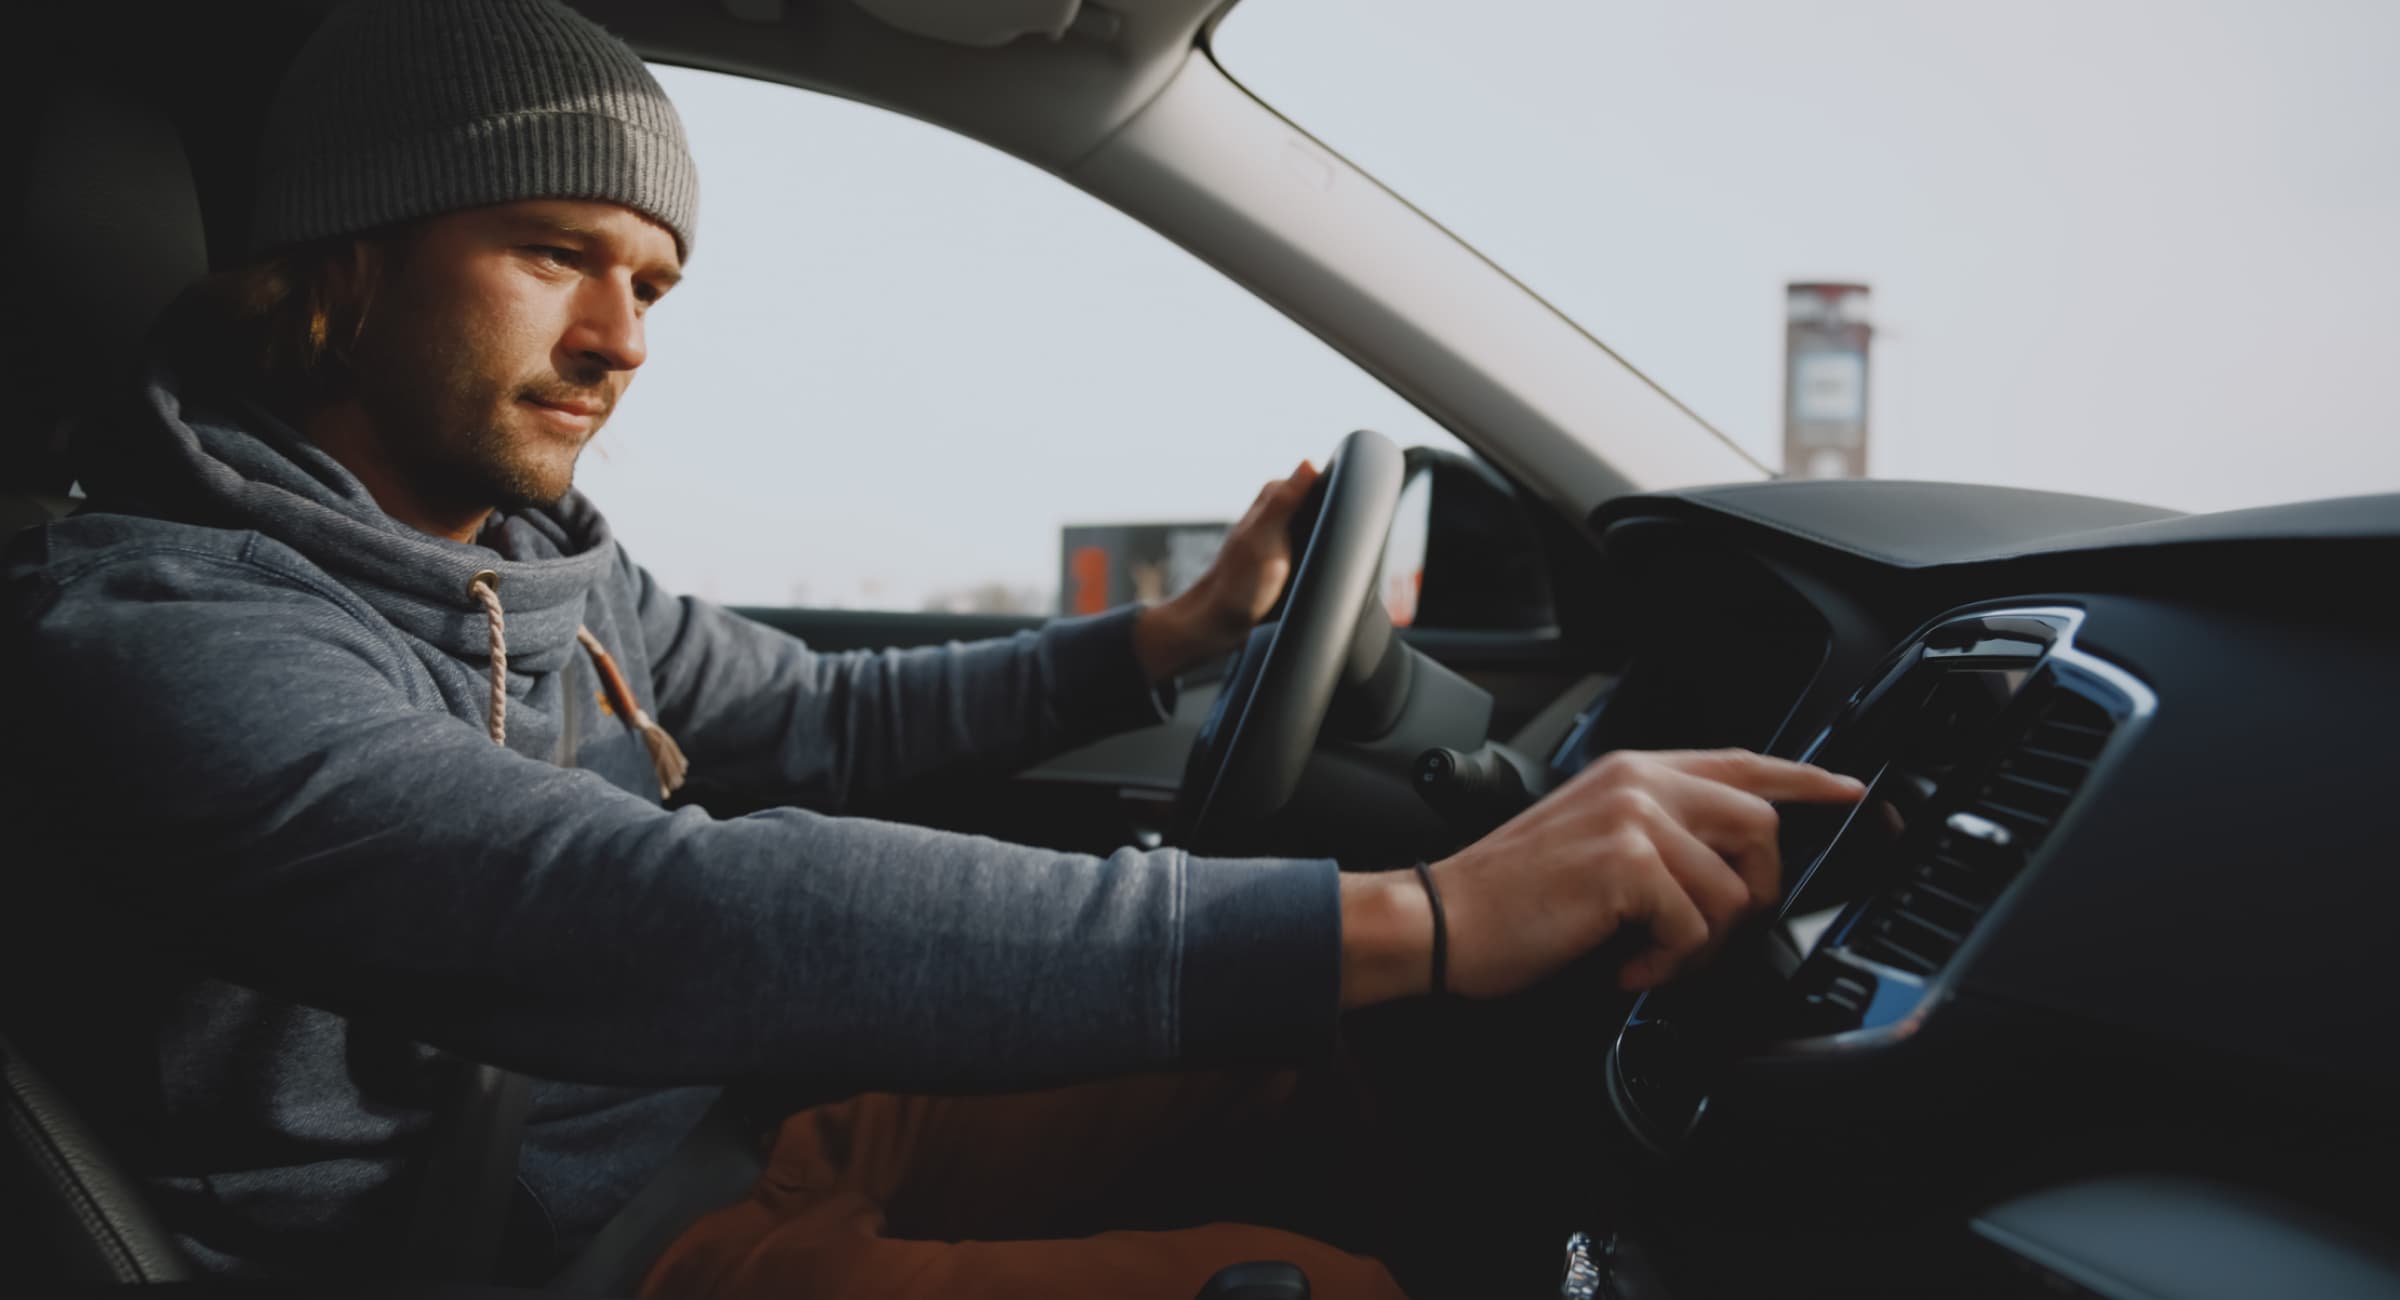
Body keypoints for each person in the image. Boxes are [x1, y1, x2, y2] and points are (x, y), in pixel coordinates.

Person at [0, 1, 1863, 1296]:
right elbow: (640, 911)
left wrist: (1175, 635)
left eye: (650, 282)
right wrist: (1430, 917)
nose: (622, 336)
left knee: (1318, 1078)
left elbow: (807, 714)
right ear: (343, 262)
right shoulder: (160, 642)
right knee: (1332, 1288)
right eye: (555, 249)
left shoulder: (526, 558)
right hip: (530, 1255)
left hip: (693, 1134)